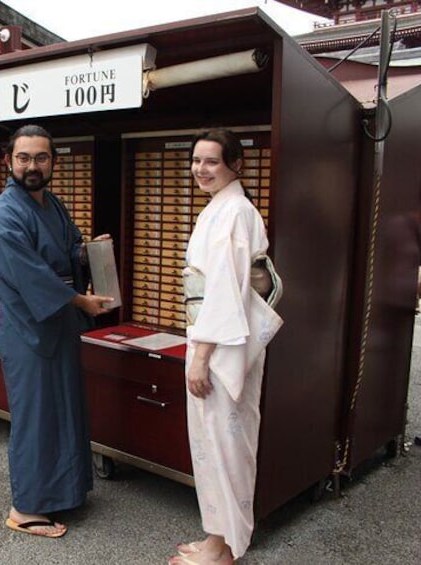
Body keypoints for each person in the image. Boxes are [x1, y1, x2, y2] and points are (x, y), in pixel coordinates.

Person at [0, 124, 114, 538]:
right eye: (24, 158)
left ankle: (64, 493)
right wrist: (80, 301)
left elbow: (66, 249)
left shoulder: (51, 204)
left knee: (65, 409)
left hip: (58, 325)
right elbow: (31, 275)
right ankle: (26, 508)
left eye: (41, 157)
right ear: (9, 161)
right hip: (28, 328)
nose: (32, 166)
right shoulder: (2, 215)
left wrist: (88, 251)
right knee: (36, 416)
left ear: (53, 161)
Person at [170, 129, 282, 565]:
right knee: (210, 442)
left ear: (236, 164)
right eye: (196, 160)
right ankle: (215, 536)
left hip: (220, 348)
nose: (201, 169)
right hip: (210, 339)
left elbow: (224, 290)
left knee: (227, 445)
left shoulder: (236, 211)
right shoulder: (221, 209)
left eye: (211, 161)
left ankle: (226, 547)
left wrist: (201, 356)